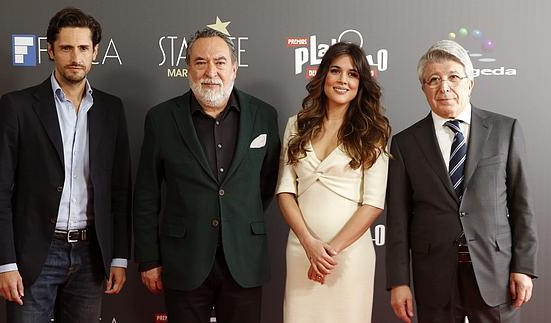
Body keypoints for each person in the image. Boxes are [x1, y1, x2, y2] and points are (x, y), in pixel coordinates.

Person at [0, 7, 132, 323]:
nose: (75, 56)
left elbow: (120, 191)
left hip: (92, 255)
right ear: (50, 50)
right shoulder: (18, 107)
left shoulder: (111, 109)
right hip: (34, 254)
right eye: (66, 47)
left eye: (82, 48)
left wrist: (118, 256)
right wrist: (5, 264)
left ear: (95, 52)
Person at [133, 27, 280, 323]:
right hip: (183, 259)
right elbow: (147, 193)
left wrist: (235, 214)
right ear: (187, 69)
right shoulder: (161, 119)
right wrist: (149, 259)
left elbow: (266, 182)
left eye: (220, 62)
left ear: (234, 69)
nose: (210, 71)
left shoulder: (264, 115)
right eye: (200, 62)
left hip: (244, 259)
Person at [386, 40, 538, 323]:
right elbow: (397, 219)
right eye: (434, 79)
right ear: (423, 89)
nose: (444, 86)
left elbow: (522, 206)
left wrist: (524, 267)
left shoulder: (505, 130)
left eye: (454, 76)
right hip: (434, 276)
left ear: (470, 84)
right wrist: (399, 281)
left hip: (496, 272)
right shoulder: (405, 143)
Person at [276, 42, 391, 323]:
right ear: (323, 75)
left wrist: (330, 252)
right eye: (335, 71)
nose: (343, 80)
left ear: (361, 83)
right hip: (302, 250)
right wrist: (309, 243)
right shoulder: (297, 124)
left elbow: (373, 203)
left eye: (352, 74)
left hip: (348, 257)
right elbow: (285, 190)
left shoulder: (373, 131)